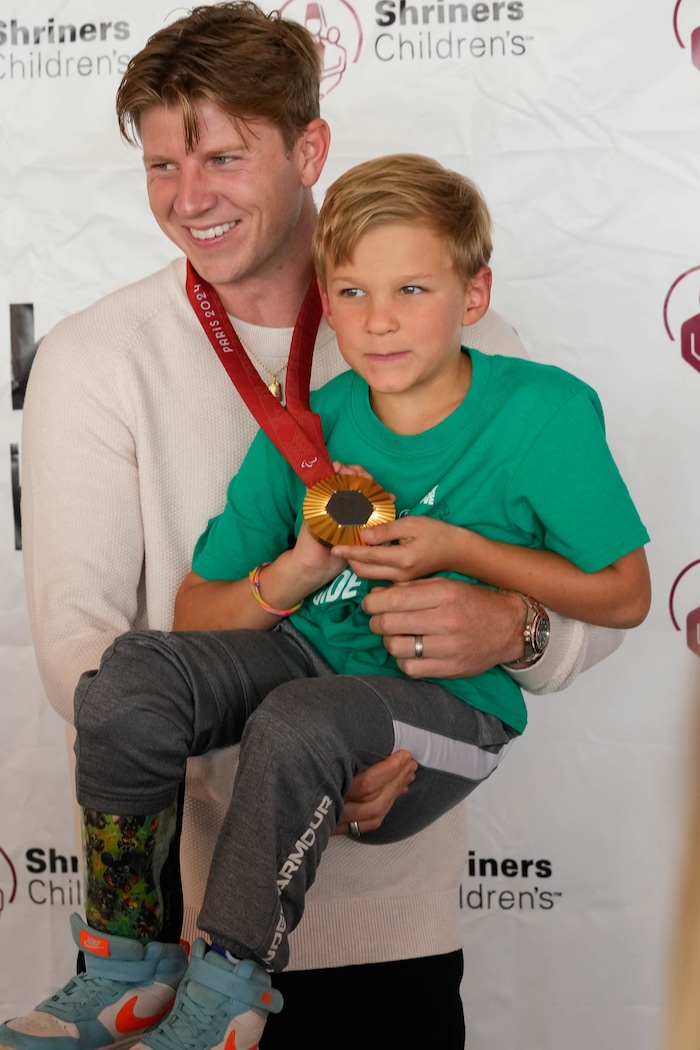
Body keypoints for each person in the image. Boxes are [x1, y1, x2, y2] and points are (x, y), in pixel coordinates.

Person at [10, 4, 628, 1049]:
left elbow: (596, 605)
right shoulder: (94, 355)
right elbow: (80, 649)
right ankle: (132, 953)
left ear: (309, 150)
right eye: (162, 165)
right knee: (143, 683)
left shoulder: (466, 346)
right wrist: (299, 736)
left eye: (221, 156)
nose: (188, 198)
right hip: (176, 918)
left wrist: (513, 632)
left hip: (388, 928)